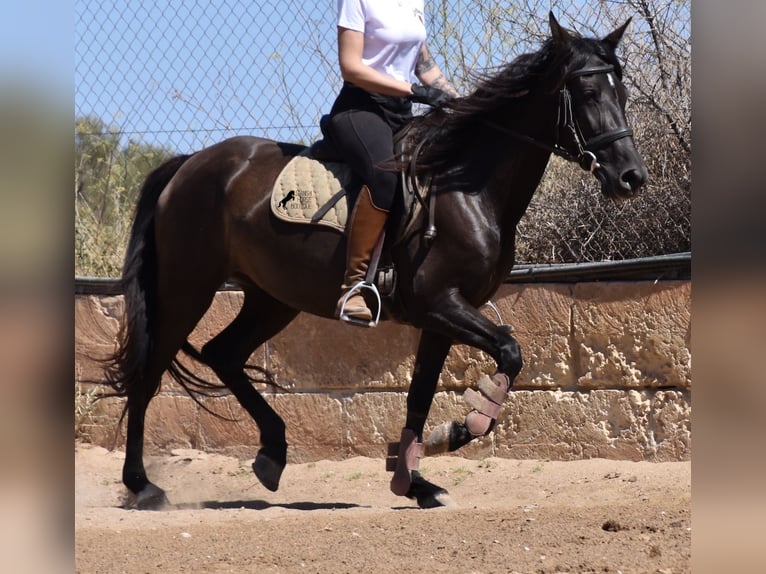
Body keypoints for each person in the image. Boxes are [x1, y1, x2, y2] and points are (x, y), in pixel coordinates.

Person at [326, 0, 459, 325]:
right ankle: (353, 286)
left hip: (401, 113)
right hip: (360, 108)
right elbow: (351, 67)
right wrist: (412, 90)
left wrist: (461, 103)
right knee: (386, 176)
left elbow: (424, 64)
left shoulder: (415, 2)